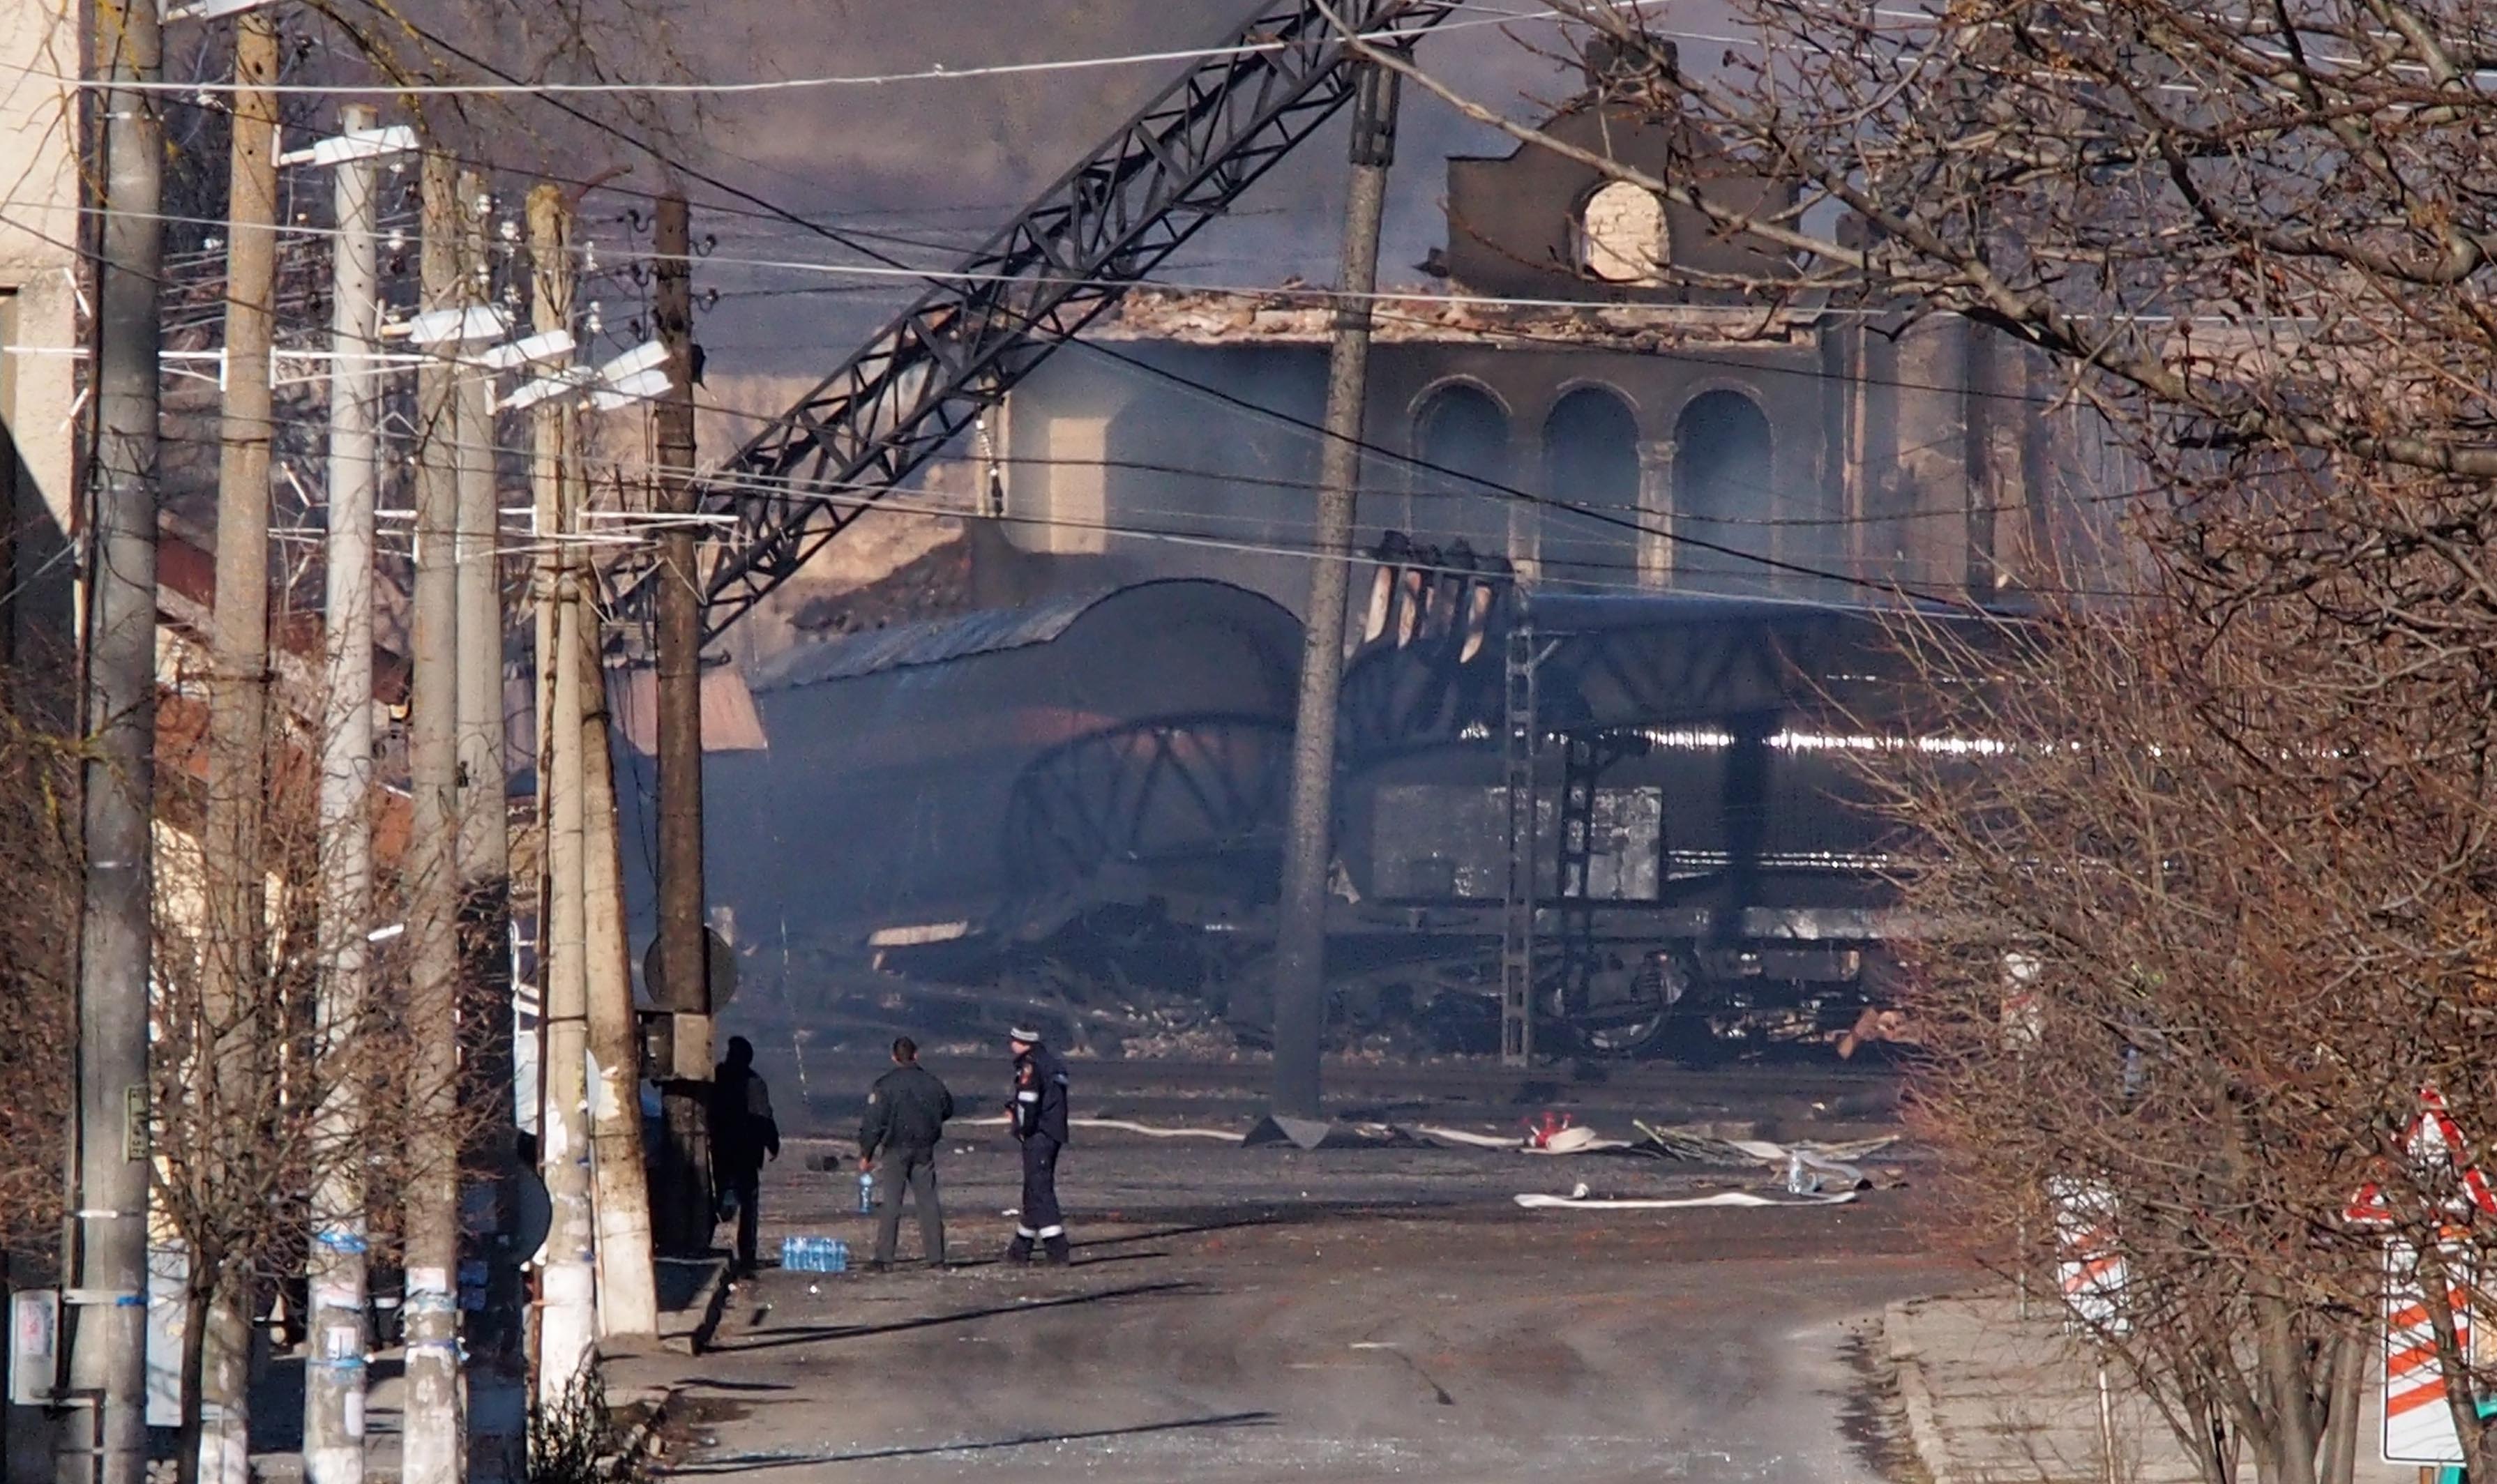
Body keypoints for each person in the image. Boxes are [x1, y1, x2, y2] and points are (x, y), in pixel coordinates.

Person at [857, 1036, 956, 1271]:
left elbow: (874, 1122)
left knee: (892, 1202)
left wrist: (866, 1153)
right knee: (929, 1202)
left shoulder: (885, 1085)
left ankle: (884, 1258)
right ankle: (936, 1258)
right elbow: (948, 1109)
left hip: (895, 1149)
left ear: (894, 1057)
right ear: (916, 1055)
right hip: (924, 1149)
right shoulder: (933, 1083)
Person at [710, 1036, 780, 1278]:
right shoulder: (754, 1081)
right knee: (748, 1207)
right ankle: (747, 1256)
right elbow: (764, 1115)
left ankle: (705, 1242)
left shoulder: (717, 1075)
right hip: (747, 1153)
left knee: (714, 1198)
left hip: (721, 1150)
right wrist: (773, 1145)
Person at [1004, 1026, 1071, 1265]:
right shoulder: (1052, 1062)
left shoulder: (1030, 1066)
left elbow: (1028, 1102)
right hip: (1053, 1132)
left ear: (1022, 1042)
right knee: (1033, 1188)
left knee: (1040, 1189)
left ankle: (1057, 1247)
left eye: (1013, 1039)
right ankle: (1021, 1247)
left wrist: (1021, 1128)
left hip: (1038, 1134)